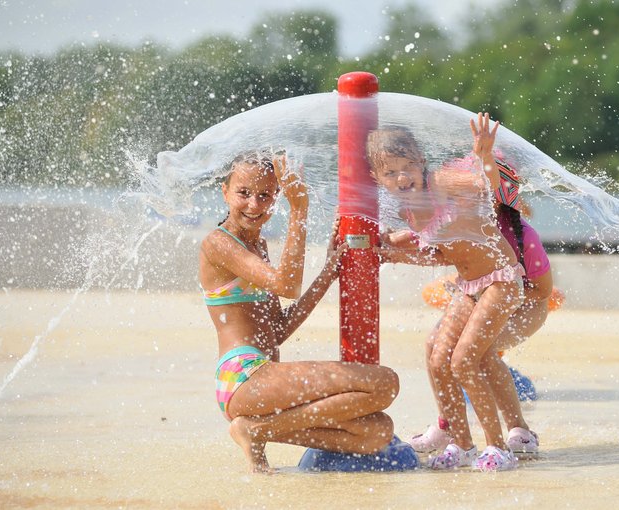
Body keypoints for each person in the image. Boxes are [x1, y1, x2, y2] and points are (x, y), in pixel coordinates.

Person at [199, 150, 399, 473]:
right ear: (225, 192)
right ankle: (254, 429)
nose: (253, 204)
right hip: (243, 376)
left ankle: (256, 429)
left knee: (377, 431)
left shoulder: (259, 247)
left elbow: (278, 329)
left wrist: (328, 271)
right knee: (385, 383)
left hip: (262, 379)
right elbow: (287, 284)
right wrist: (300, 209)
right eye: (243, 193)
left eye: (265, 195)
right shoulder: (217, 244)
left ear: (275, 196)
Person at [367, 113, 533, 471]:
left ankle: (496, 446)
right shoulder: (410, 212)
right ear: (377, 179)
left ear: (422, 163)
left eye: (408, 166)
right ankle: (463, 443)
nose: (401, 177)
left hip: (501, 280)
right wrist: (387, 252)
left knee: (463, 360)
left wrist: (484, 157)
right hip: (470, 286)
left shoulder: (442, 182)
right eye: (390, 172)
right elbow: (437, 253)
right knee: (437, 355)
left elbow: (492, 188)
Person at [409, 163, 553, 461]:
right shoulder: (462, 222)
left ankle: (519, 430)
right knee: (434, 344)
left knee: (482, 352)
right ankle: (446, 424)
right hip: (481, 295)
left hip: (526, 305)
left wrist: (496, 300)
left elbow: (542, 291)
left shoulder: (524, 236)